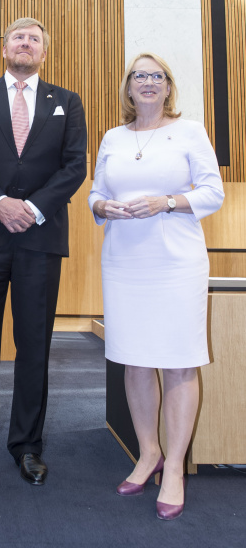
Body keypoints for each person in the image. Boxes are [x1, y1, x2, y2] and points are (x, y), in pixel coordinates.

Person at [0, 17, 87, 498]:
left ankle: (27, 445)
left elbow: (75, 165)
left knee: (34, 346)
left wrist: (30, 208)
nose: (24, 44)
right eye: (17, 37)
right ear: (3, 48)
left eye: (34, 39)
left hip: (39, 237)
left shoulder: (66, 102)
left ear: (44, 53)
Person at [88, 52, 224, 521]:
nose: (148, 82)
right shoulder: (112, 136)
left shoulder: (189, 132)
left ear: (168, 88)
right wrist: (103, 209)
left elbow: (213, 192)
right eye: (139, 76)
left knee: (179, 361)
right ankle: (148, 453)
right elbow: (95, 192)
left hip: (175, 262)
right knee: (136, 358)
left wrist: (166, 201)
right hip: (124, 261)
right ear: (128, 88)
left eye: (157, 76)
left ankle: (175, 469)